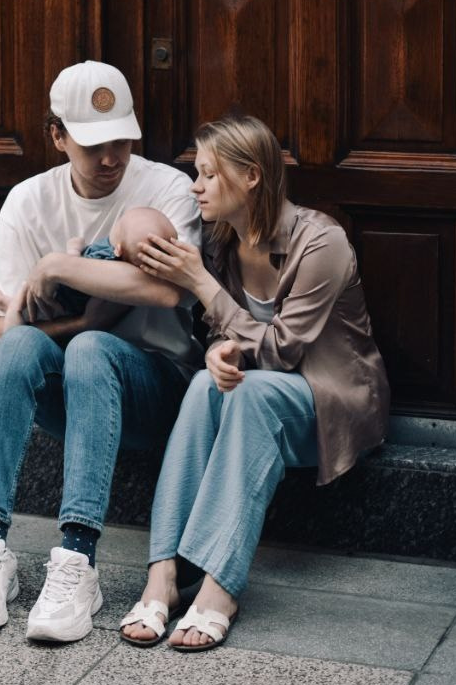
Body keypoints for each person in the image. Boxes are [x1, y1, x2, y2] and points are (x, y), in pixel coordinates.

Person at [0, 60, 202, 642]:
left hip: (158, 391)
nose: (111, 157)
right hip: (70, 393)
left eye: (120, 139)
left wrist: (59, 268)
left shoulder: (165, 187)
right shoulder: (27, 201)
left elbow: (169, 287)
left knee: (92, 345)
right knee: (21, 347)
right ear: (57, 136)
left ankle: (76, 560)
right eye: (93, 144)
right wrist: (89, 302)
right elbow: (4, 326)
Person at [120, 114, 390, 652]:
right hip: (259, 394)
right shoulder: (222, 245)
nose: (194, 186)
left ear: (251, 177)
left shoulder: (321, 243)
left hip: (330, 397)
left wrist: (199, 283)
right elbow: (228, 337)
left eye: (207, 174)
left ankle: (221, 585)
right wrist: (220, 351)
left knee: (251, 392)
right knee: (203, 386)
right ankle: (164, 575)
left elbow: (284, 350)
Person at [0, 206, 179, 352]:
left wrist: (66, 256)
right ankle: (11, 312)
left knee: (20, 304)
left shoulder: (107, 258)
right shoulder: (113, 256)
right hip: (64, 305)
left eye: (121, 225)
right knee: (24, 308)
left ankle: (4, 344)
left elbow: (75, 267)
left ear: (118, 248)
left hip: (59, 300)